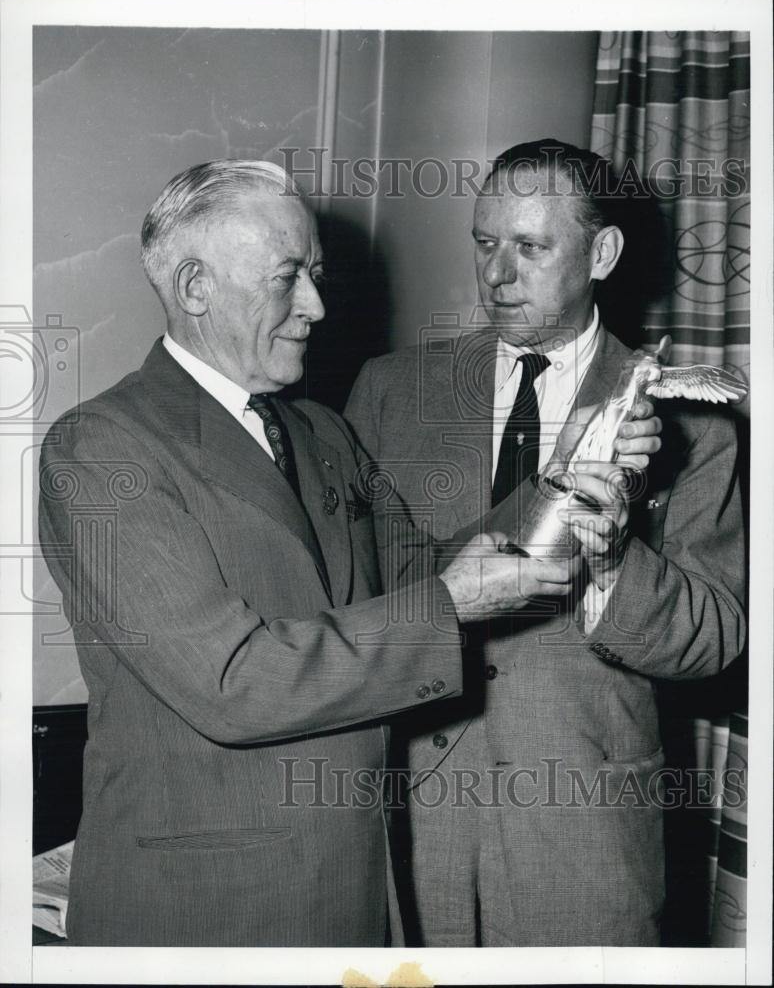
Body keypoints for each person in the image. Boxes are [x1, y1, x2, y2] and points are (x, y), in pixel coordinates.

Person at [38, 159, 586, 947]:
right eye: (288, 277)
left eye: (317, 274)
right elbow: (232, 680)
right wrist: (451, 604)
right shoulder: (99, 449)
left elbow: (421, 576)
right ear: (195, 288)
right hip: (204, 911)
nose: (317, 306)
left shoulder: (322, 432)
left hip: (356, 886)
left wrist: (557, 482)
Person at [344, 139, 745, 946]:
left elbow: (716, 637)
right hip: (410, 820)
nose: (496, 275)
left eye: (530, 247)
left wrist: (611, 557)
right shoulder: (388, 390)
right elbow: (352, 596)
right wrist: (549, 496)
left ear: (602, 252)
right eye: (486, 244)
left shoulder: (692, 422)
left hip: (587, 833)